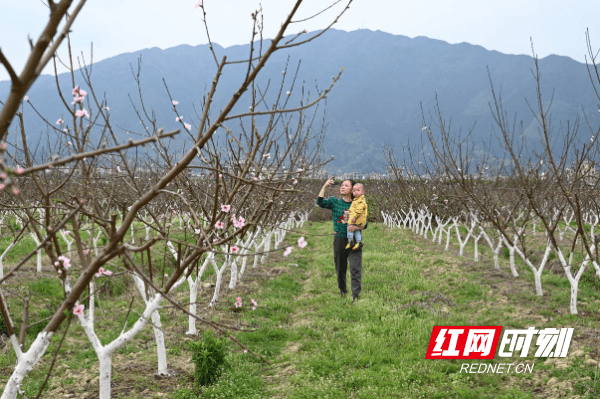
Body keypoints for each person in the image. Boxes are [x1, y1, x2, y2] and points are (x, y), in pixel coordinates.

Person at [316, 177, 365, 301]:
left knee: (355, 268)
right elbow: (320, 202)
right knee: (340, 268)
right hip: (339, 239)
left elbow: (366, 223)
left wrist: (356, 226)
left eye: (346, 185)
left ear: (352, 190)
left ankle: (355, 295)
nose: (342, 187)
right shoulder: (335, 202)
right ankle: (343, 291)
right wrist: (324, 186)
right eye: (342, 185)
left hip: (354, 240)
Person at [345, 183, 367, 251]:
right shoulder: (357, 199)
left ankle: (350, 242)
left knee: (350, 229)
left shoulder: (360, 200)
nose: (356, 192)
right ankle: (358, 242)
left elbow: (359, 210)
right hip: (358, 220)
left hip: (357, 219)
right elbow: (353, 209)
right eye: (354, 191)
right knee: (357, 231)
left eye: (358, 190)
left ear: (363, 191)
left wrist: (354, 217)